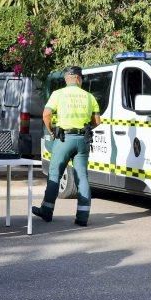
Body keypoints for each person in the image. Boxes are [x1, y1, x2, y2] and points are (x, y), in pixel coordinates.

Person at [31, 66, 100, 226]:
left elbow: (46, 114)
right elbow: (97, 121)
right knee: (82, 176)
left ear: (67, 78)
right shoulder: (89, 96)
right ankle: (83, 217)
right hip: (82, 139)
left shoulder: (58, 94)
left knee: (55, 174)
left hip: (63, 139)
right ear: (78, 78)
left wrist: (52, 130)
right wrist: (85, 128)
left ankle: (47, 211)